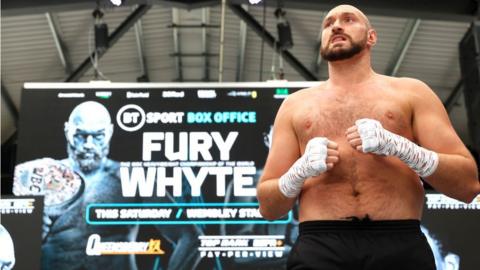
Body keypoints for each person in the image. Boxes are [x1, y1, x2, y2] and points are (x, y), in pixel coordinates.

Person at [257, 4, 480, 270]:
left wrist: (403, 148)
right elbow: (268, 207)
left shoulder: (411, 93)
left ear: (371, 37)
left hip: (399, 243)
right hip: (319, 245)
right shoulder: (294, 106)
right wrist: (299, 170)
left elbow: (468, 185)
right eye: (328, 23)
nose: (336, 26)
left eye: (348, 19)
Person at [14, 101, 202, 270]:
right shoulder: (37, 176)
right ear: (67, 130)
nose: (88, 144)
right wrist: (27, 232)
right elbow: (7, 249)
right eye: (80, 135)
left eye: (98, 136)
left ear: (110, 132)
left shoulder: (132, 178)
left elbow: (191, 238)